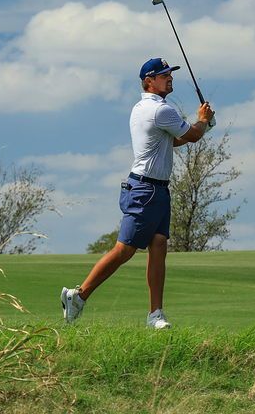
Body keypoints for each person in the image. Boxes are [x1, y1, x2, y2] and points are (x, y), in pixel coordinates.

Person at [60, 57, 214, 329]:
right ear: (148, 81)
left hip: (157, 190)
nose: (170, 78)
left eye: (170, 74)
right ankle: (78, 296)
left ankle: (156, 314)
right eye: (164, 75)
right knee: (125, 250)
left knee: (158, 247)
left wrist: (201, 126)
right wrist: (203, 121)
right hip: (144, 189)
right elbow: (190, 136)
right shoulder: (160, 110)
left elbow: (175, 140)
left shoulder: (147, 108)